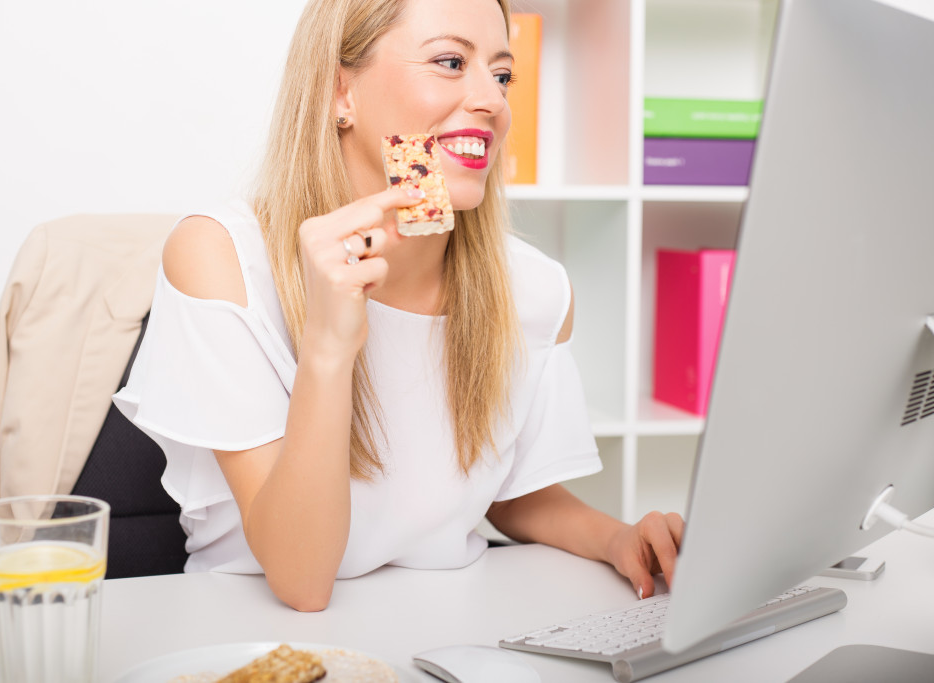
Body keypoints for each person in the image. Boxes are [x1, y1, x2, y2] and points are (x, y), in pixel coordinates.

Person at [113, 0, 684, 612]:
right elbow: (302, 580)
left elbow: (510, 494)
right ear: (340, 94)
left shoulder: (535, 291)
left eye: (501, 74)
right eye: (449, 61)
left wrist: (619, 539)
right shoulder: (222, 259)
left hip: (440, 624)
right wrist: (329, 349)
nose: (492, 100)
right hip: (253, 634)